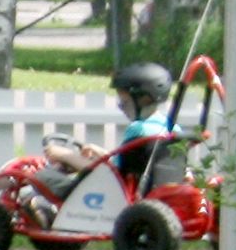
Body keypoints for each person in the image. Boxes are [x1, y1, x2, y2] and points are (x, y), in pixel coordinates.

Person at [42, 60, 176, 190]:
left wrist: (65, 155)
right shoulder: (171, 128)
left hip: (119, 194)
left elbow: (110, 174)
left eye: (124, 102)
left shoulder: (139, 129)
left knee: (45, 179)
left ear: (144, 99)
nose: (121, 108)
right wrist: (102, 153)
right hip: (152, 192)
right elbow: (128, 164)